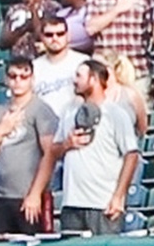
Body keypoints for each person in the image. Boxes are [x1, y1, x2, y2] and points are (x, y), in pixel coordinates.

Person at [37, 59, 140, 236]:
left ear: (93, 79)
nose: (74, 81)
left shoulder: (116, 114)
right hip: (72, 204)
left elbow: (131, 155)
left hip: (103, 205)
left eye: (79, 76)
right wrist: (67, 145)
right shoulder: (69, 111)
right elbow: (53, 151)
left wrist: (118, 197)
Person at [0, 56, 60, 235]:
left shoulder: (40, 110)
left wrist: (35, 194)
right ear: (6, 79)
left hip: (29, 198)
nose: (18, 81)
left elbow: (50, 154)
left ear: (32, 79)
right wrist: (0, 131)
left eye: (24, 76)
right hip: (1, 197)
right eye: (13, 76)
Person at [31, 17, 88, 122]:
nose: (55, 38)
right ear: (41, 37)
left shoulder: (83, 62)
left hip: (76, 122)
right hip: (45, 127)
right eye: (49, 35)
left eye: (60, 34)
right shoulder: (33, 68)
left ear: (68, 36)